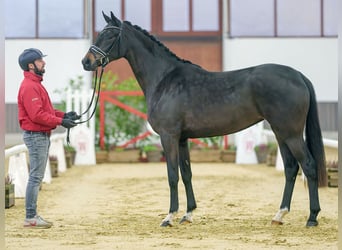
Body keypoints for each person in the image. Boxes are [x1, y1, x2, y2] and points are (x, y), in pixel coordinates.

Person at [17, 48, 80, 229]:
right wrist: (61, 121)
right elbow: (37, 115)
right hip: (36, 136)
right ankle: (30, 217)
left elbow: (46, 112)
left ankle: (32, 216)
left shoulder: (35, 84)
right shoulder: (30, 86)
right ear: (31, 65)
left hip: (40, 135)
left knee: (36, 176)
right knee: (35, 177)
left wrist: (64, 115)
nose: (43, 63)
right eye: (39, 61)